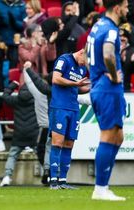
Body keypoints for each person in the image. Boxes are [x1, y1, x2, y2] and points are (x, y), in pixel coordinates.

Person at [86, 0, 128, 201]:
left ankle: (103, 186)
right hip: (108, 88)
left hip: (101, 86)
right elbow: (108, 54)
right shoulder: (111, 29)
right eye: (127, 5)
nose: (128, 10)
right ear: (118, 7)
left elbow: (88, 57)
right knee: (108, 135)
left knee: (118, 136)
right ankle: (100, 188)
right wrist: (112, 75)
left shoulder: (97, 25)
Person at [48, 48, 89, 190]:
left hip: (74, 108)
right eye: (86, 61)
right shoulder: (64, 60)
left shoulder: (82, 69)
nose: (85, 65)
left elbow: (78, 89)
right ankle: (53, 180)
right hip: (59, 106)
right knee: (57, 142)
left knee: (69, 144)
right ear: (82, 52)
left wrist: (92, 86)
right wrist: (75, 84)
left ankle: (63, 180)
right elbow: (56, 79)